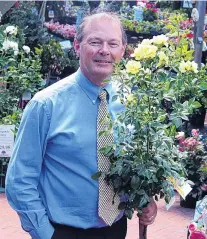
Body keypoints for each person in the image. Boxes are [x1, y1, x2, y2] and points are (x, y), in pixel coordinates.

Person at [6, 10, 157, 239]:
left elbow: (135, 164)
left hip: (115, 229)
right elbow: (20, 180)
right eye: (95, 42)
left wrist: (146, 200)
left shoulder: (131, 104)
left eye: (113, 43)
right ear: (77, 46)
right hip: (63, 232)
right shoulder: (45, 106)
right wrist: (46, 234)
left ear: (122, 51)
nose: (104, 50)